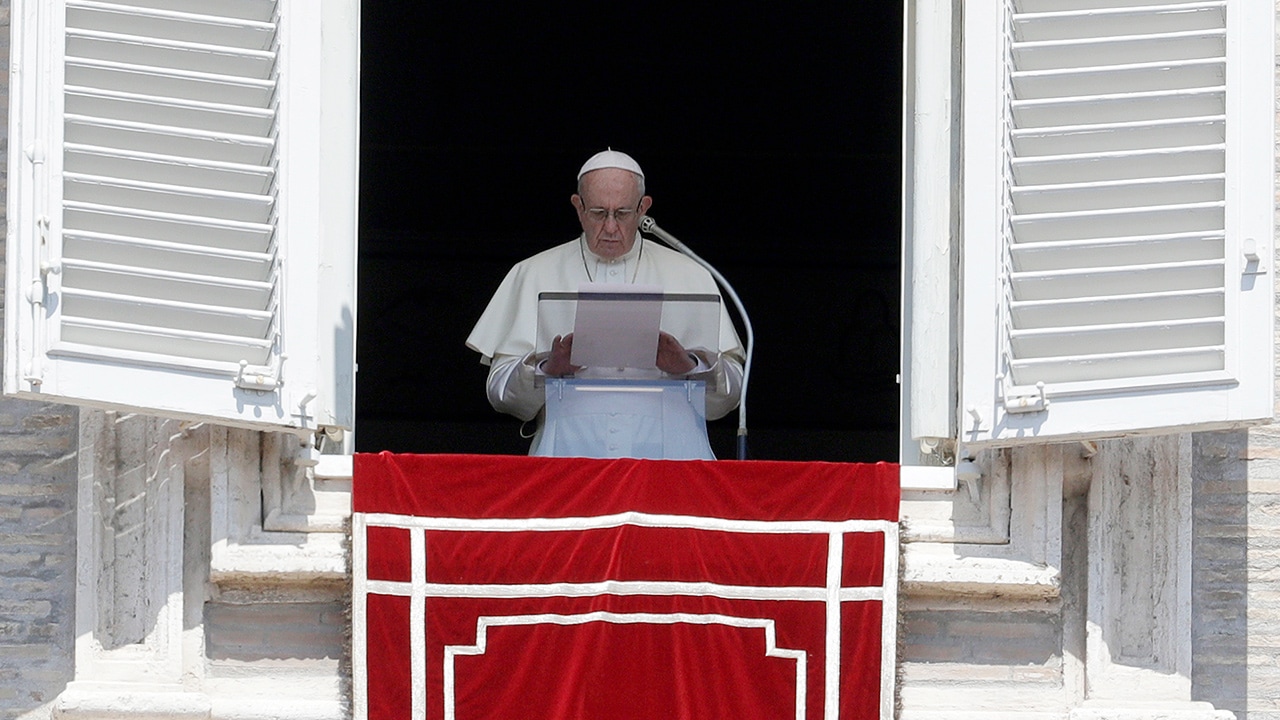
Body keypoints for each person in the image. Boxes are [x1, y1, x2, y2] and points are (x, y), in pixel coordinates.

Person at [466, 149, 744, 456]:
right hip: (567, 454)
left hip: (673, 457)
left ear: (643, 208)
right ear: (578, 207)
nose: (611, 228)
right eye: (599, 213)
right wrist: (546, 369)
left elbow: (729, 398)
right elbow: (500, 396)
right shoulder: (532, 273)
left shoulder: (691, 272)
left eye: (623, 214)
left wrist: (690, 367)